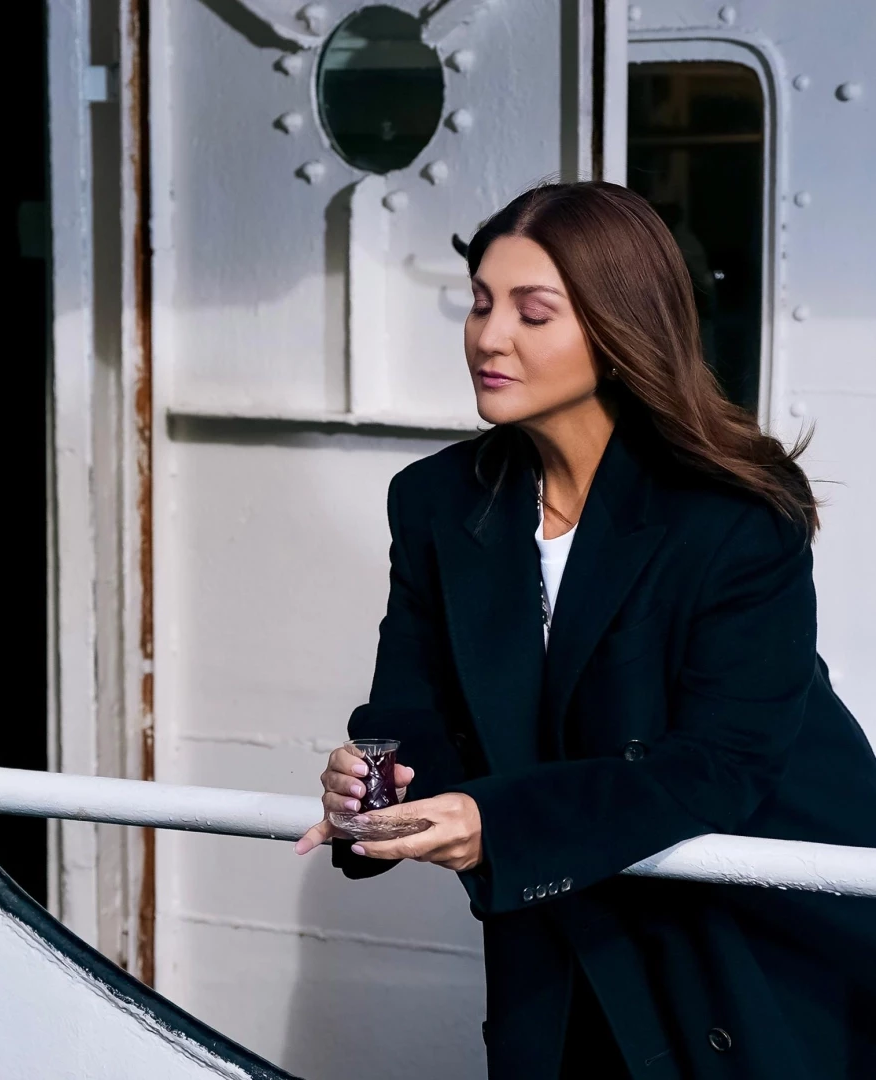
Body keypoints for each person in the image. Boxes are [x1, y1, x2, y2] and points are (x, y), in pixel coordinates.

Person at [294, 182, 876, 1078]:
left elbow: (721, 763)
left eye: (532, 313)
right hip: (566, 913)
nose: (489, 337)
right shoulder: (437, 501)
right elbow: (411, 713)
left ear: (617, 331)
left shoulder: (734, 512)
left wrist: (493, 822)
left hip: (756, 924)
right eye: (479, 303)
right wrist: (374, 790)